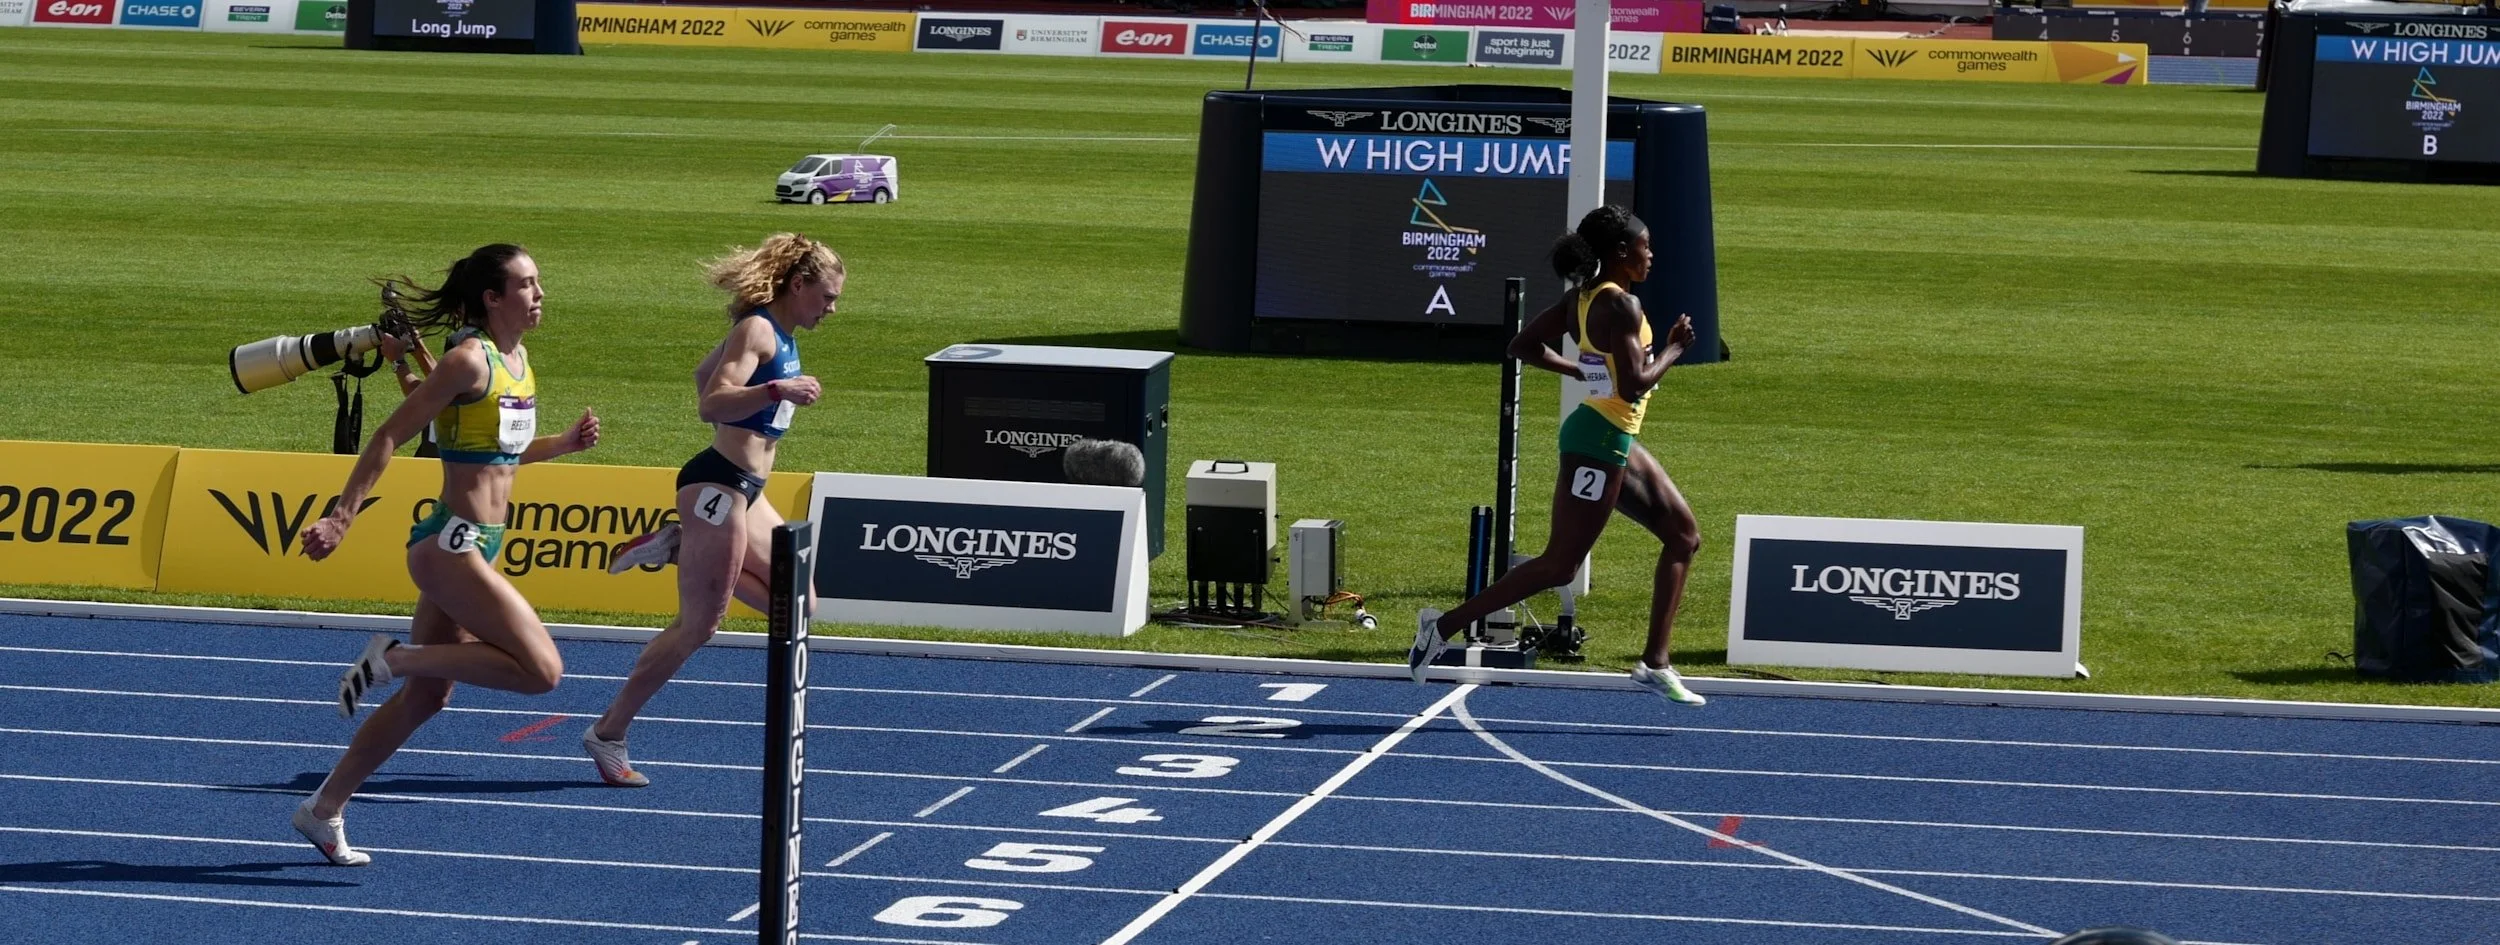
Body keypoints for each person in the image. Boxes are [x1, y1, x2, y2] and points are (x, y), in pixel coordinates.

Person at [291, 244, 603, 865]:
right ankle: (395, 658)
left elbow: (497, 455)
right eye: (527, 284)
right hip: (449, 545)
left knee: (429, 700)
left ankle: (322, 810)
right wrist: (341, 516)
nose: (540, 293)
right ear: (493, 297)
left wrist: (562, 444)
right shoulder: (467, 360)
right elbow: (389, 435)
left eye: (540, 282)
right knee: (543, 672)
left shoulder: (515, 358)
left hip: (476, 542)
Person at [1410, 205, 1707, 707]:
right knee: (1559, 565)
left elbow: (1522, 345)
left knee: (1684, 536)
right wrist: (1675, 349)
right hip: (1597, 442)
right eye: (1645, 245)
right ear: (1620, 252)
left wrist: (1579, 372)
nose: (1651, 254)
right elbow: (1634, 385)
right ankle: (1441, 627)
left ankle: (1655, 663)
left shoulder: (1583, 300)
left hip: (1608, 433)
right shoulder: (1622, 308)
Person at [581, 233, 842, 787]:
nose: (832, 309)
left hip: (746, 490)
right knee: (699, 627)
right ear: (799, 286)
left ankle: (678, 546)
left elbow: (706, 373)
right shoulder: (758, 330)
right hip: (717, 487)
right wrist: (777, 391)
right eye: (827, 297)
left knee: (800, 603)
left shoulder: (779, 335)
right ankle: (609, 733)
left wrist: (772, 389)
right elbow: (710, 403)